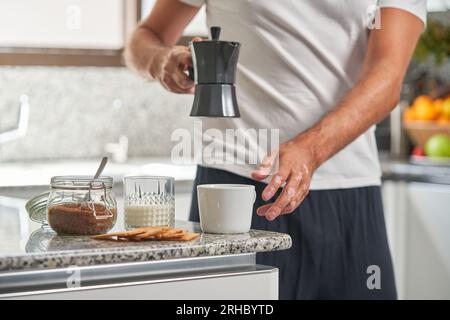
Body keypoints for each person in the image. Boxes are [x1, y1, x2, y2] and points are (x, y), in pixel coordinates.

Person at [125, 0, 426, 299]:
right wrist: (159, 60)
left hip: (349, 194)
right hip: (234, 192)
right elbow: (146, 36)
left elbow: (387, 77)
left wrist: (311, 149)